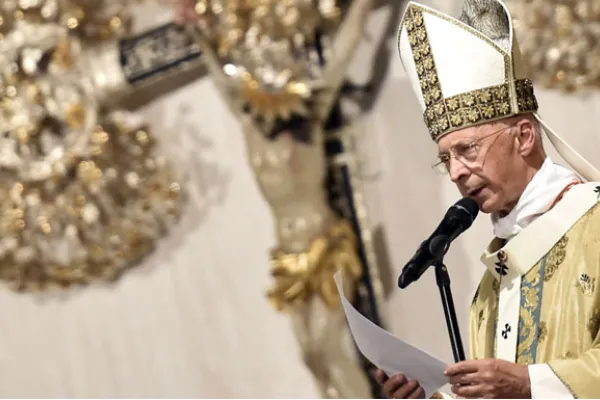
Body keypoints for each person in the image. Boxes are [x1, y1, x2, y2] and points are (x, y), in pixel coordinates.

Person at [376, 0, 600, 398]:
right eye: (447, 160)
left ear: (525, 136)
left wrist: (529, 383)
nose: (458, 171)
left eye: (467, 149)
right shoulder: (491, 286)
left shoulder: (595, 225)